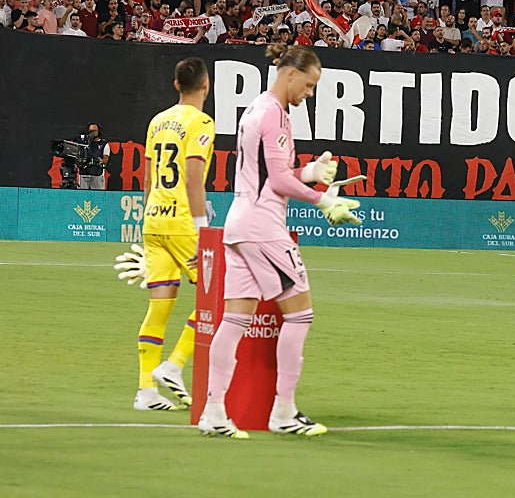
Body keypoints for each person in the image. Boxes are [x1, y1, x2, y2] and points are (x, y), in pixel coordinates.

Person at [197, 44, 362, 439]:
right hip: (263, 226)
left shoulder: (256, 109)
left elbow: (272, 172)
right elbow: (277, 181)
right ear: (290, 74)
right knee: (300, 314)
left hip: (240, 222)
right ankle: (283, 411)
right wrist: (324, 199)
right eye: (308, 85)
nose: (309, 94)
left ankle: (214, 412)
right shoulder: (275, 114)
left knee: (235, 319)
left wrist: (312, 171)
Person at [132, 59, 214, 412]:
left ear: (176, 85)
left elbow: (149, 179)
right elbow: (194, 178)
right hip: (183, 223)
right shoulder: (201, 122)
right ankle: (175, 365)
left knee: (159, 307)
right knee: (219, 298)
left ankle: (146, 391)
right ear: (206, 86)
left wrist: (152, 215)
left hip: (154, 220)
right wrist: (201, 230)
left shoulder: (157, 121)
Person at [78, 123, 110, 190]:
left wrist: (102, 161)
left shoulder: (103, 144)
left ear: (99, 131)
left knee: (98, 196)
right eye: (90, 131)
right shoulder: (83, 143)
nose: (92, 133)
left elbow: (106, 158)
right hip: (84, 174)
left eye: (94, 131)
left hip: (97, 174)